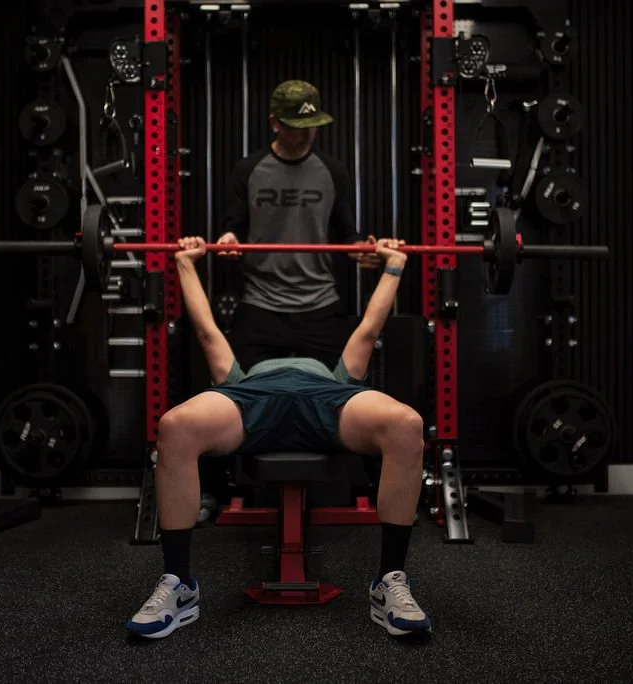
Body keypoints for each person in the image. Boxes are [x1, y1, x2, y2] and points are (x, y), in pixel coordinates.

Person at [126, 236, 431, 640]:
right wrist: (184, 261)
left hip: (327, 398)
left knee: (406, 424)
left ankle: (389, 581)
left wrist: (395, 263)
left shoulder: (337, 373)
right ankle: (179, 584)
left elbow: (368, 328)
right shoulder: (240, 375)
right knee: (175, 425)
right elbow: (206, 331)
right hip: (253, 398)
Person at [215, 79, 382, 372]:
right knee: (247, 401)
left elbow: (347, 233)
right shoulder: (248, 170)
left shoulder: (333, 171)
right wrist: (228, 239)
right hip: (261, 304)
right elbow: (234, 228)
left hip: (320, 305)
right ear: (274, 123)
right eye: (296, 125)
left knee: (333, 399)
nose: (306, 133)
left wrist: (361, 249)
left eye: (312, 124)